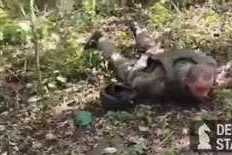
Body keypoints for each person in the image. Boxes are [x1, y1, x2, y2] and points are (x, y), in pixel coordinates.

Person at [85, 21, 218, 109]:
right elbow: (135, 78)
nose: (206, 94)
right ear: (186, 82)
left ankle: (137, 28)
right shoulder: (160, 85)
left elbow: (210, 65)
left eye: (207, 88)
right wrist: (144, 58)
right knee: (121, 63)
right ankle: (100, 39)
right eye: (200, 89)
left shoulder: (208, 67)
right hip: (155, 68)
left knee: (153, 46)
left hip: (172, 58)